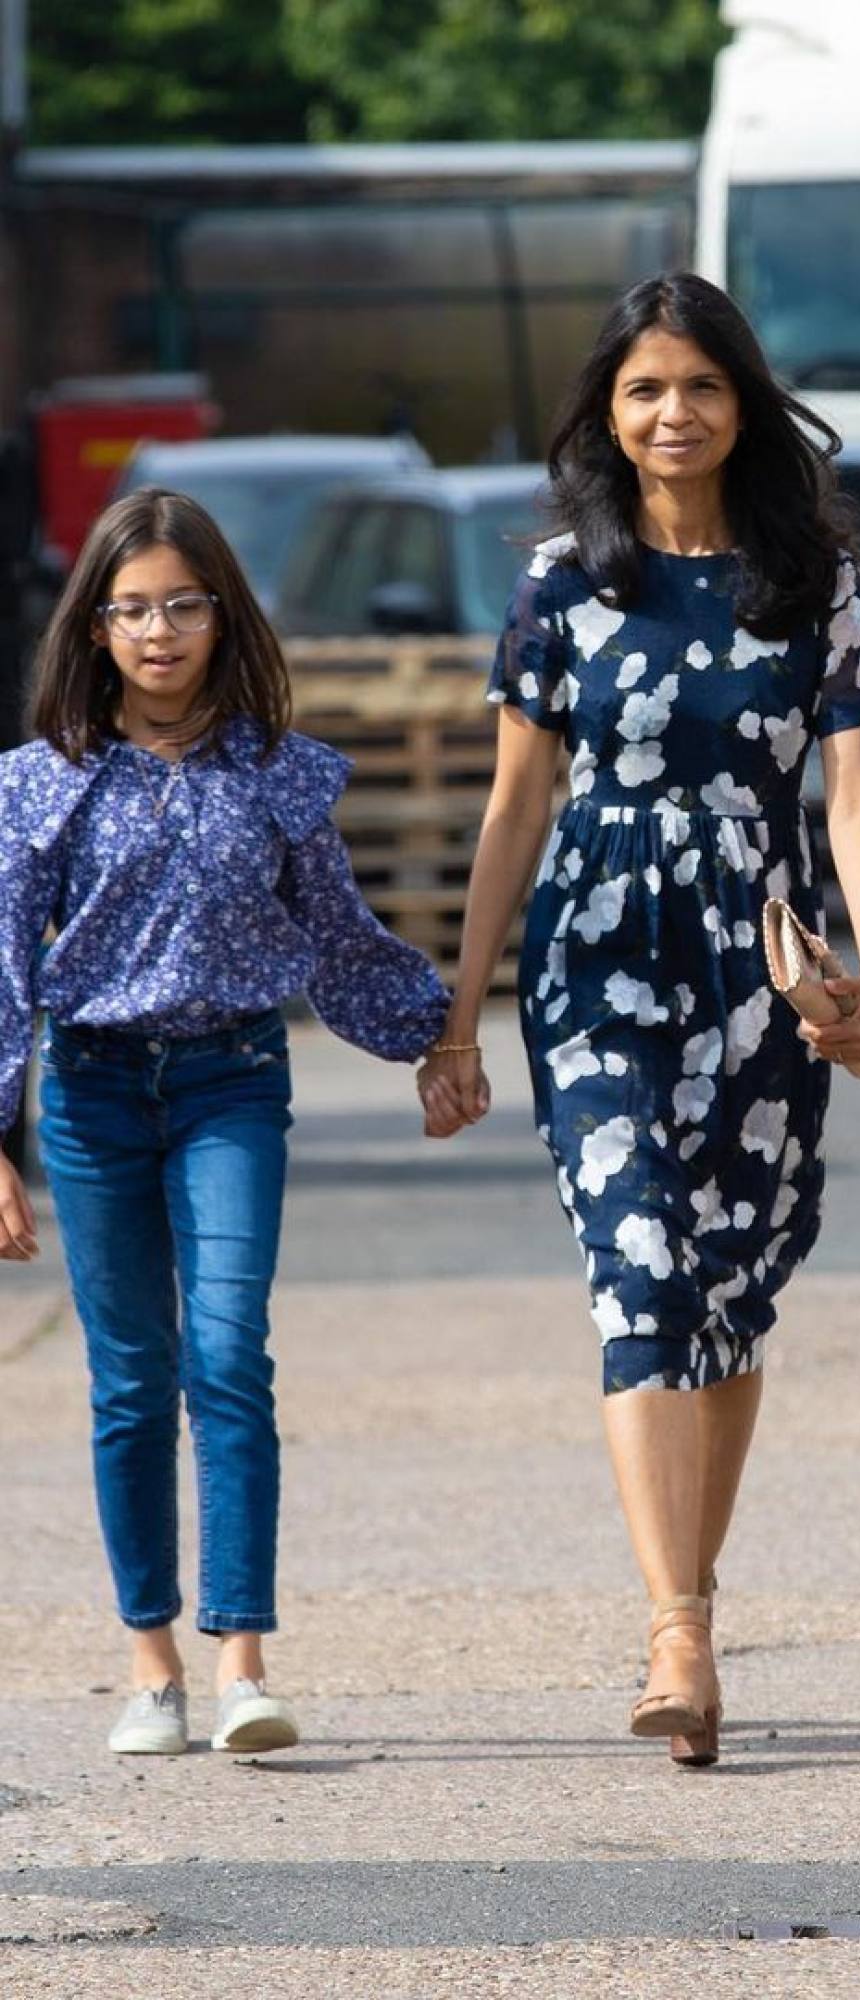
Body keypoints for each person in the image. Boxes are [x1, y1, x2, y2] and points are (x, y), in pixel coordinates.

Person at [419, 274, 860, 1767]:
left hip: (757, 964)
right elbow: (516, 804)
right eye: (642, 392)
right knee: (642, 1271)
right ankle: (676, 1631)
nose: (671, 413)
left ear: (741, 402)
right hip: (594, 951)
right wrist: (458, 1015)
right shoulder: (564, 580)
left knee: (733, 1288)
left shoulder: (812, 578)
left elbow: (859, 793)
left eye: (697, 386)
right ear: (607, 419)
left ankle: (692, 1590)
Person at [0, 489, 449, 1757]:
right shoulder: (39, 788)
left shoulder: (280, 775)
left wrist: (442, 1034)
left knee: (227, 1350)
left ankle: (243, 1659)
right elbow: (0, 973)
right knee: (131, 1380)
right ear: (92, 626)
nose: (157, 630)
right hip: (88, 1095)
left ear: (220, 615)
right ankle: (151, 1667)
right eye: (130, 607)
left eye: (181, 604)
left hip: (232, 1082)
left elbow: (343, 942)